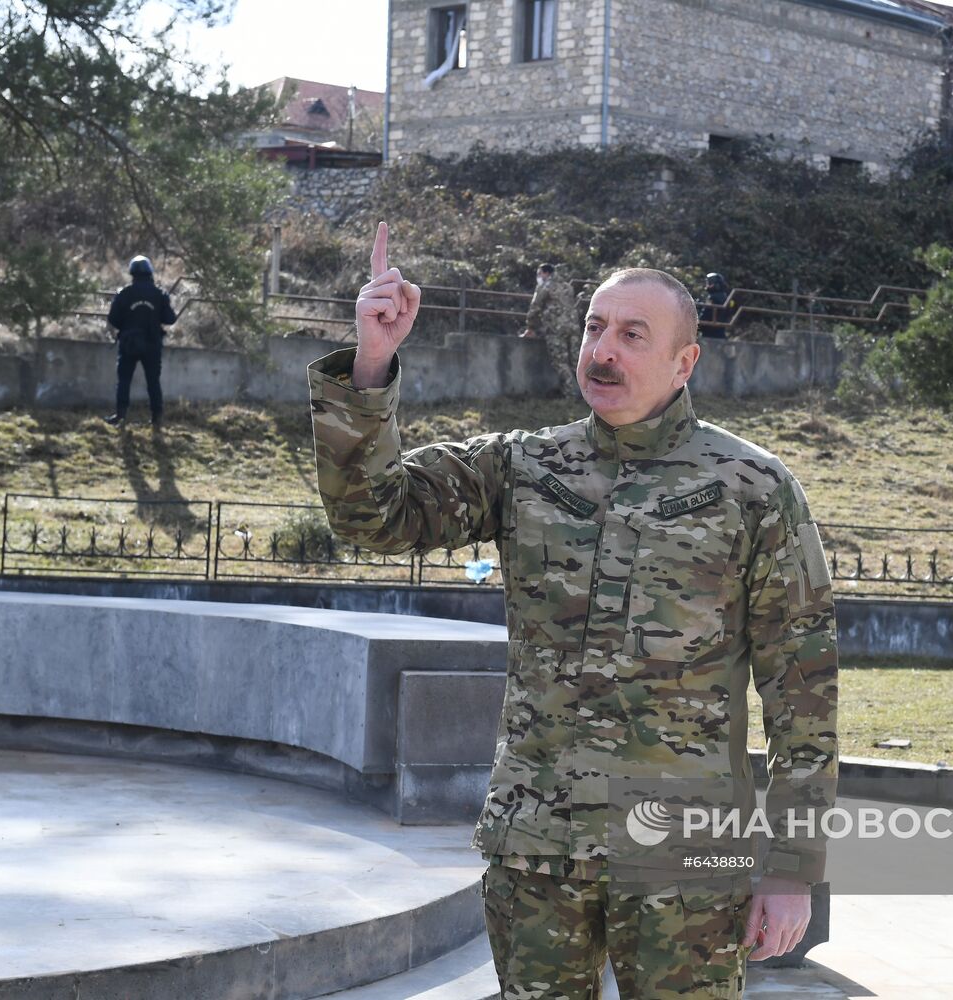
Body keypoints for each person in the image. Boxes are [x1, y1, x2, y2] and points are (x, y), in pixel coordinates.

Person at [307, 222, 837, 999]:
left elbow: (804, 697)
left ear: (683, 361)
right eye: (594, 328)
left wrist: (791, 868)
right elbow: (372, 517)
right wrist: (374, 361)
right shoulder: (525, 465)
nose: (604, 349)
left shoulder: (751, 489)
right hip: (537, 848)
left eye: (631, 333)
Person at [104, 255, 177, 428]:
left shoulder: (124, 294)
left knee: (124, 380)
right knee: (153, 381)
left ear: (132, 273)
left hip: (128, 344)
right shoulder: (159, 294)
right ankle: (156, 417)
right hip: (152, 344)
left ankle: (120, 416)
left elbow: (113, 319)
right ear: (150, 272)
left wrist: (128, 323)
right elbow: (170, 319)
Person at [520, 262, 581, 397]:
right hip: (574, 328)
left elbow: (535, 308)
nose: (538, 277)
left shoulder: (545, 286)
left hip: (556, 329)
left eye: (539, 273)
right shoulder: (567, 286)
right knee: (577, 361)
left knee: (560, 361)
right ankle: (589, 395)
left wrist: (530, 327)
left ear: (546, 273)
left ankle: (570, 395)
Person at [697, 271, 736, 339]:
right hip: (720, 332)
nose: (708, 285)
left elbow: (706, 314)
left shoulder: (713, 298)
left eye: (710, 283)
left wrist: (698, 325)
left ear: (716, 284)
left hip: (709, 334)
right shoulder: (725, 296)